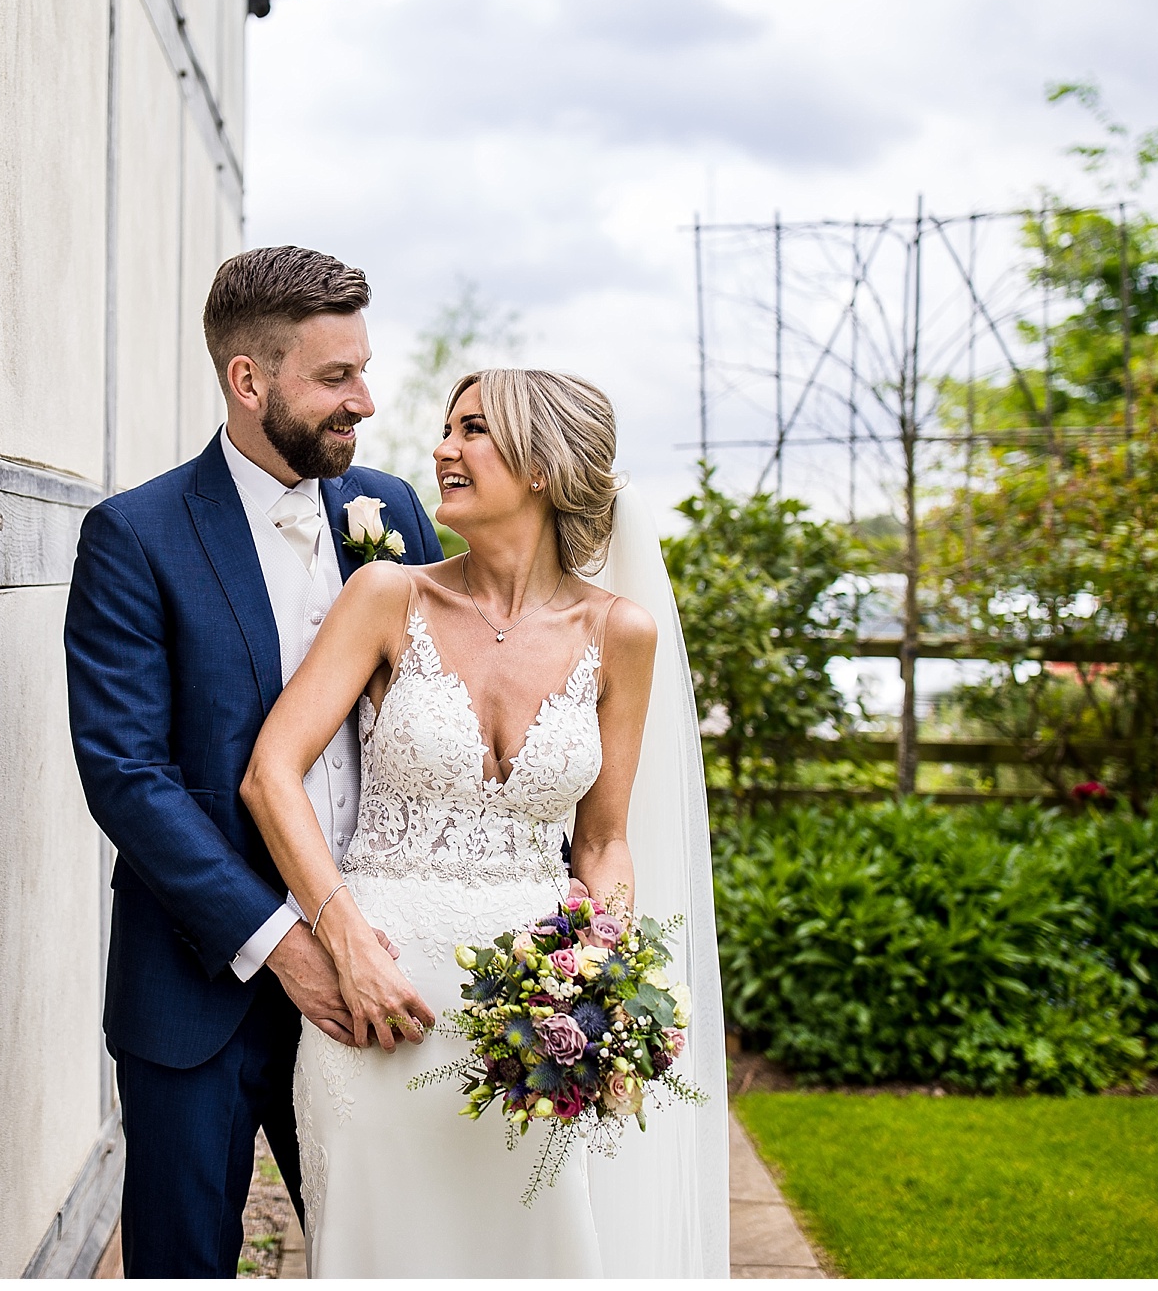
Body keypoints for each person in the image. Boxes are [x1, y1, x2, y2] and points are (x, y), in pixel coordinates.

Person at [237, 368, 730, 1276]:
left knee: (538, 1255)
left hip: (536, 1030)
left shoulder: (621, 631)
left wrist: (599, 980)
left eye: (473, 431)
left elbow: (603, 840)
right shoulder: (389, 596)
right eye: (446, 430)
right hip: (378, 1004)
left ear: (541, 466)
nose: (442, 450)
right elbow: (272, 775)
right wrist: (343, 939)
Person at [65, 246, 444, 1278]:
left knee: (392, 1254)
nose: (363, 400)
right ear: (249, 380)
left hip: (388, 962)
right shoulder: (134, 536)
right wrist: (284, 942)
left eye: (363, 369)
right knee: (185, 1260)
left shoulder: (391, 514)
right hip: (200, 984)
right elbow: (126, 774)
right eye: (334, 378)